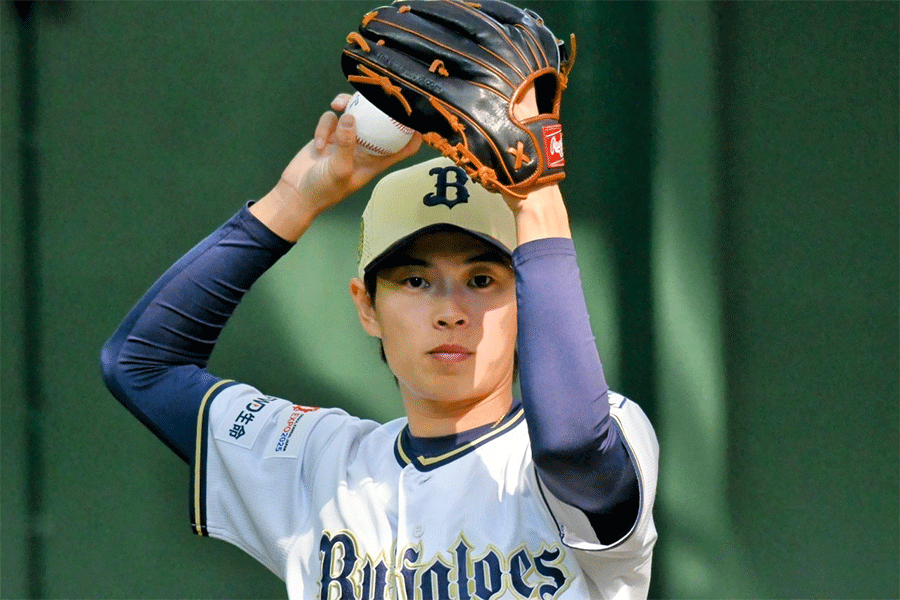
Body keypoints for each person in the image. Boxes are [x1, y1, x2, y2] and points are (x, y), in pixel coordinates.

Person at [101, 91, 658, 599]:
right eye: (415, 281)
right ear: (367, 306)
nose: (449, 312)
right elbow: (140, 364)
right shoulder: (319, 467)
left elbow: (571, 449)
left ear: (528, 300)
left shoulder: (602, 431)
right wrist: (297, 197)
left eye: (482, 280)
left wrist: (535, 197)